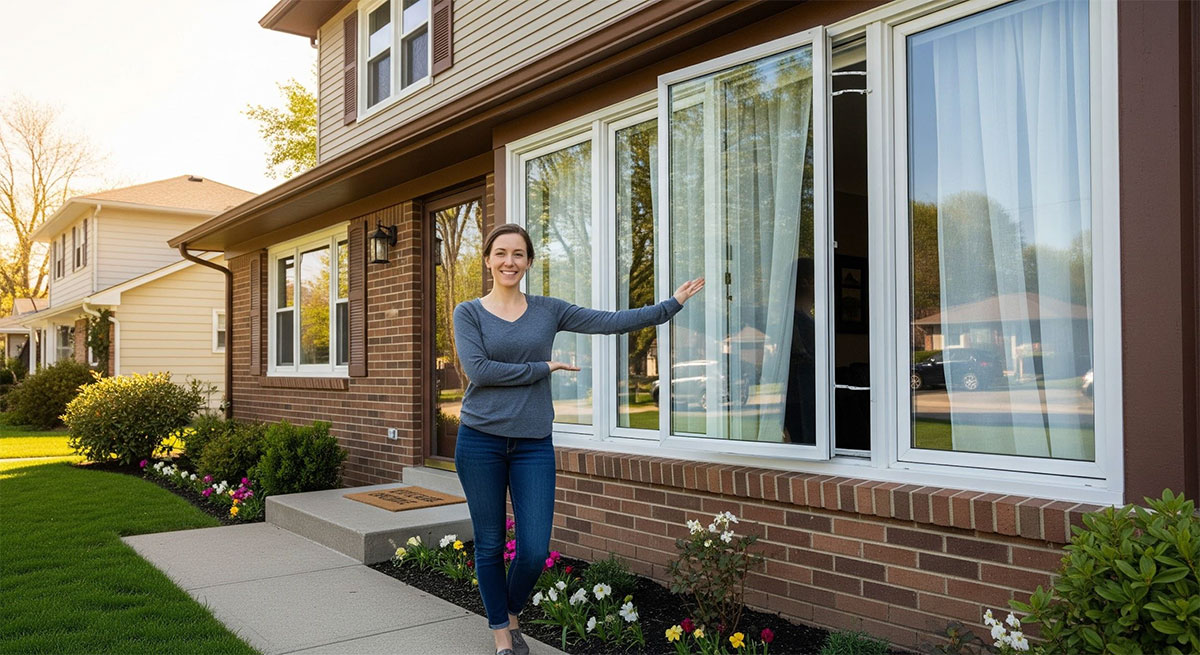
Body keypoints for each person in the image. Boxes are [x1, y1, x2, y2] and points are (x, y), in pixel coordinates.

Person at [452, 223, 704, 655]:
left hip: (532, 443)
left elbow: (609, 321)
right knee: (491, 543)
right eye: (500, 253)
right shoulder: (468, 313)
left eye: (518, 254)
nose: (509, 261)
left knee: (533, 550)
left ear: (529, 261)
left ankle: (510, 612)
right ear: (488, 260)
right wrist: (543, 368)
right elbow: (480, 372)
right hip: (479, 441)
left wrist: (670, 306)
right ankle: (501, 634)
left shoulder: (548, 309)